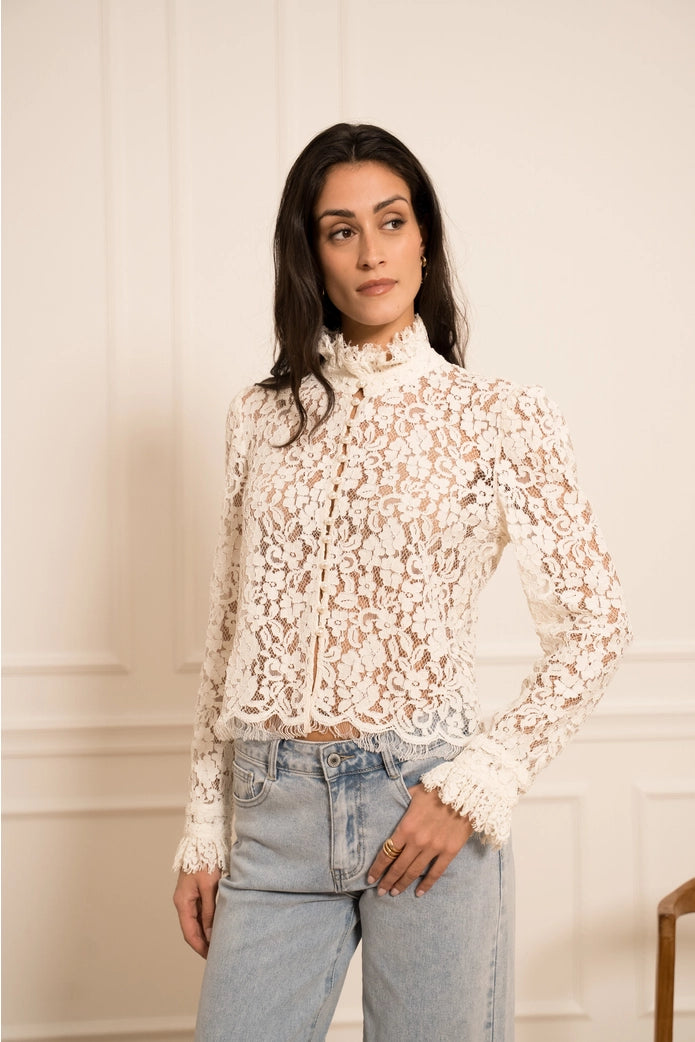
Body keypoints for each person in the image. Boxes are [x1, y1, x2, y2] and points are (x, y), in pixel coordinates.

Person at [173, 123, 631, 1042]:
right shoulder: (260, 420)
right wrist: (204, 821)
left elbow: (595, 626)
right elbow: (232, 629)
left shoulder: (498, 415)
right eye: (340, 229)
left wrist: (470, 788)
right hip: (273, 803)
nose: (371, 250)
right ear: (310, 254)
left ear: (425, 238)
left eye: (391, 220)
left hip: (421, 800)